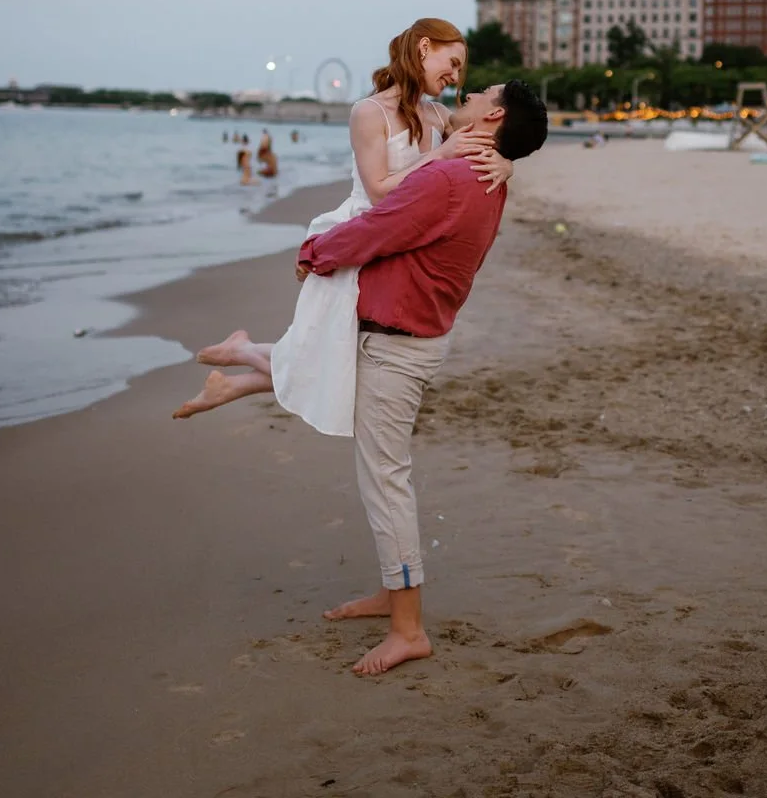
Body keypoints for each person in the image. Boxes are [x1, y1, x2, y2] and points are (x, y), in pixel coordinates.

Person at [194, 78, 547, 677]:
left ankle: (408, 629)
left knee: (385, 480)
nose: (465, 94)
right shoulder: (485, 173)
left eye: (478, 94)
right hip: (409, 336)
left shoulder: (452, 177)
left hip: (398, 345)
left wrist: (314, 251)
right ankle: (392, 593)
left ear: (495, 116)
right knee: (319, 381)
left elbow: (379, 229)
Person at [173, 18, 509, 428]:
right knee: (331, 354)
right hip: (358, 234)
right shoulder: (369, 113)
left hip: (397, 238)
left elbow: (492, 131)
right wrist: (441, 156)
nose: (457, 77)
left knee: (333, 356)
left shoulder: (439, 116)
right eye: (452, 63)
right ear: (424, 48)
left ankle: (235, 378)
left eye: (460, 69)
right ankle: (242, 356)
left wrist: (506, 164)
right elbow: (382, 192)